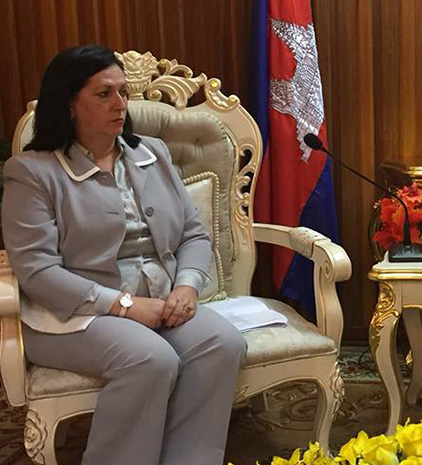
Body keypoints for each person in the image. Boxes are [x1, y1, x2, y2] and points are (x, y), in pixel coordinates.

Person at [2, 44, 246, 465]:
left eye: (122, 92)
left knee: (221, 344)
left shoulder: (152, 152)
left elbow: (193, 233)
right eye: (104, 94)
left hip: (160, 301)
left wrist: (187, 287)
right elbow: (37, 272)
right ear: (69, 104)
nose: (120, 104)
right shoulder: (33, 172)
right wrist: (124, 306)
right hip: (71, 315)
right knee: (149, 359)